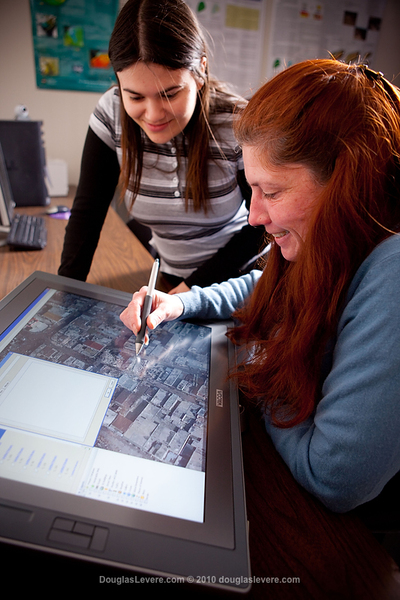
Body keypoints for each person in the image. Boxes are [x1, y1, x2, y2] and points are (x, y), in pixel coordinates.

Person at [120, 58, 400, 524]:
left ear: (347, 186)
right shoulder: (334, 239)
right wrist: (182, 303)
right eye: (251, 190)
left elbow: (333, 478)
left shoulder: (392, 276)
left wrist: (257, 358)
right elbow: (264, 288)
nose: (253, 216)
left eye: (271, 191)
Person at [58, 0, 264, 294]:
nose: (154, 115)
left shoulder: (237, 123)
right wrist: (64, 293)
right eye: (136, 97)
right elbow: (87, 213)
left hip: (236, 279)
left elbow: (261, 226)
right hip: (168, 277)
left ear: (200, 71)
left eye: (169, 94)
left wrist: (189, 291)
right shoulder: (111, 113)